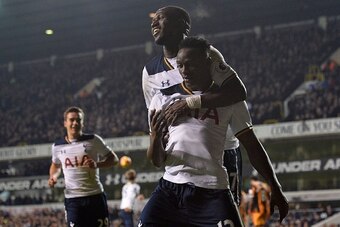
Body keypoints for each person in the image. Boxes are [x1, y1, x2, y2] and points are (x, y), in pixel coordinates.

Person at [139, 37, 288, 226]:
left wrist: (275, 186)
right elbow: (157, 161)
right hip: (170, 190)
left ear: (209, 63)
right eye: (181, 65)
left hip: (212, 189)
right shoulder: (162, 100)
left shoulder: (229, 101)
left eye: (191, 65)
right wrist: (155, 138)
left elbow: (252, 146)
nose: (184, 71)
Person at [142, 5, 245, 206]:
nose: (154, 22)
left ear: (183, 25)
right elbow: (155, 118)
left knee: (225, 214)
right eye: (153, 19)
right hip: (181, 158)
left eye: (161, 18)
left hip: (221, 150)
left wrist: (190, 103)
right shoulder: (150, 72)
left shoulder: (207, 54)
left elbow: (237, 92)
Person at [48, 106, 119, 227]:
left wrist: (97, 164)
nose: (75, 123)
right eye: (71, 120)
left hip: (95, 196)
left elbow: (114, 159)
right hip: (73, 200)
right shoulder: (57, 147)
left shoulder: (93, 140)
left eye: (78, 120)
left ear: (83, 123)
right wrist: (53, 176)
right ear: (65, 123)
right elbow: (55, 166)